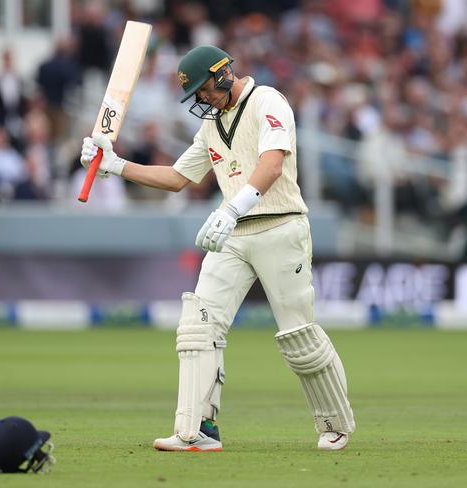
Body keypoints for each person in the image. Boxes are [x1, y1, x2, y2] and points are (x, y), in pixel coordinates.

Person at [80, 45, 356, 452]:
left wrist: (231, 208)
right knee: (198, 325)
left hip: (280, 226)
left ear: (223, 74)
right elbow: (176, 177)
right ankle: (198, 431)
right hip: (233, 236)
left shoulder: (268, 101)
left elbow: (273, 163)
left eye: (203, 90)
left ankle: (335, 422)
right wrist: (115, 165)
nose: (201, 100)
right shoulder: (212, 125)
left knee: (298, 334)